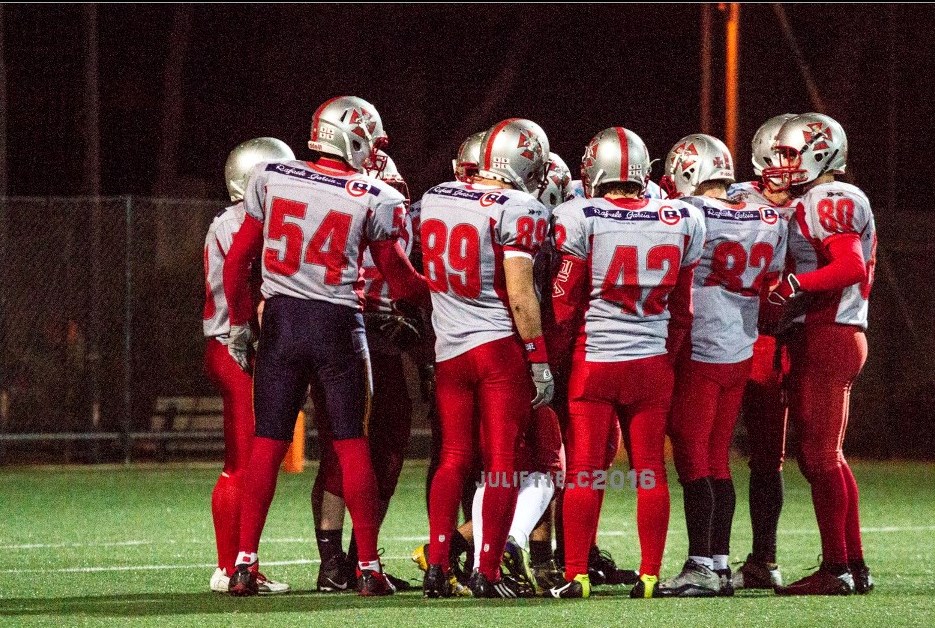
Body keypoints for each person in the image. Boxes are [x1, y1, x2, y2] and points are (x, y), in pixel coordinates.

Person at [222, 96, 428, 597]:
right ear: (352, 138)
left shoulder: (273, 176)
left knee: (267, 445)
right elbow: (400, 281)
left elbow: (238, 263)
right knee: (352, 445)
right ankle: (369, 567)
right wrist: (441, 293)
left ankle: (244, 564)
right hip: (338, 324)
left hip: (283, 322)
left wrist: (242, 322)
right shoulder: (371, 194)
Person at [546, 127, 705, 599]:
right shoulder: (681, 217)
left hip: (594, 361)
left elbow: (564, 302)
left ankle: (576, 573)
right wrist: (667, 358)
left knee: (586, 471)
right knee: (650, 470)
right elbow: (685, 309)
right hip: (651, 361)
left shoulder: (579, 215)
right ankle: (651, 574)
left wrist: (554, 359)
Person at [421, 118, 554, 598]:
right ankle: (489, 572)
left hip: (448, 349)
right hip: (497, 349)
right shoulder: (520, 207)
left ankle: (437, 566)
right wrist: (538, 358)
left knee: (453, 458)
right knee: (501, 464)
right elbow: (520, 294)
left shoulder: (437, 195)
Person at [657, 134, 787, 597]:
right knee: (718, 459)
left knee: (694, 459)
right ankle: (719, 563)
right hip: (741, 347)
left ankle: (701, 566)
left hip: (699, 346)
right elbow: (772, 279)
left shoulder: (691, 213)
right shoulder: (768, 216)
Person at [765, 113, 876, 596]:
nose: (783, 163)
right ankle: (852, 563)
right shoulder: (817, 198)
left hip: (829, 332)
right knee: (828, 458)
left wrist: (794, 284)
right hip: (833, 332)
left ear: (820, 151)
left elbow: (849, 265)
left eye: (791, 153)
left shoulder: (829, 198)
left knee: (820, 457)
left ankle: (837, 568)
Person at [311, 150, 426, 593]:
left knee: (387, 450)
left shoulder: (400, 222)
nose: (393, 208)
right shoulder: (342, 211)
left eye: (399, 196)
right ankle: (334, 561)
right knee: (345, 449)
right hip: (348, 335)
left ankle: (362, 557)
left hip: (383, 345)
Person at [202, 137, 294, 595]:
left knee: (242, 459)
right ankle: (231, 566)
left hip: (231, 344)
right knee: (243, 461)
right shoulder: (241, 223)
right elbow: (244, 282)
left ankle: (237, 563)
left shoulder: (235, 219)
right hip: (235, 345)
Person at [728, 114, 798, 590]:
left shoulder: (815, 203)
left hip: (776, 340)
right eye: (778, 156)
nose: (785, 168)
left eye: (792, 157)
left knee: (767, 459)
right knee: (705, 453)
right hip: (723, 335)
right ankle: (707, 557)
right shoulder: (733, 197)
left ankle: (764, 556)